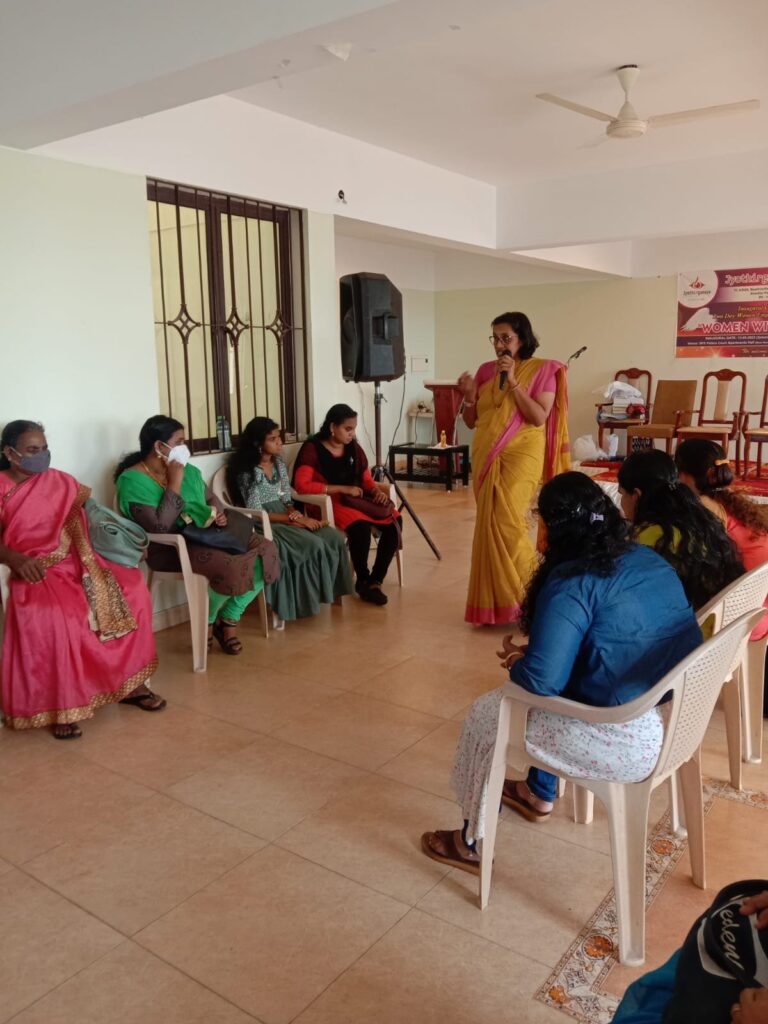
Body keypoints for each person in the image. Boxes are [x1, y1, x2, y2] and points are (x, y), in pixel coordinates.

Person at [421, 473, 702, 872]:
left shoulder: (573, 580)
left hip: (620, 738)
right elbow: (609, 640)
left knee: (490, 713)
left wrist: (522, 662)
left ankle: (470, 842)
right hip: (670, 719)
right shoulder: (644, 557)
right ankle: (538, 793)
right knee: (540, 691)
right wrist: (542, 654)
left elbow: (542, 681)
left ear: (553, 527)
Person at [0, 420, 164, 739]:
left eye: (45, 448)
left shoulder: (60, 481)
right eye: (33, 450)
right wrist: (15, 559)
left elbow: (92, 512)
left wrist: (126, 541)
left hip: (78, 558)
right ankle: (61, 704)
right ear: (10, 453)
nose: (42, 455)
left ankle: (129, 684)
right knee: (57, 617)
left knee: (132, 591)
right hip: (33, 567)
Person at [115, 415, 279, 655]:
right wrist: (174, 482)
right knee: (232, 565)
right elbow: (160, 527)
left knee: (267, 551)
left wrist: (219, 514)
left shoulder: (188, 471)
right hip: (172, 548)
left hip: (211, 535)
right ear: (159, 447)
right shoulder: (131, 480)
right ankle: (209, 621)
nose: (184, 448)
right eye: (179, 441)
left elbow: (212, 500)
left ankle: (226, 619)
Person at [458, 312, 570, 625]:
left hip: (522, 454)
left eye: (505, 337)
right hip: (486, 455)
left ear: (522, 338)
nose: (499, 344)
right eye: (494, 337)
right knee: (489, 526)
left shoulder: (542, 370)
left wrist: (515, 384)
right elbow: (473, 421)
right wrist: (468, 397)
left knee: (509, 524)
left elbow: (537, 417)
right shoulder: (484, 371)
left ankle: (531, 597)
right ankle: (495, 604)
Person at [226, 417, 354, 624]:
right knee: (311, 543)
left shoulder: (278, 464)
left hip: (285, 514)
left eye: (279, 438)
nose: (279, 443)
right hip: (263, 522)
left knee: (333, 537)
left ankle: (329, 594)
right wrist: (292, 520)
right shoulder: (247, 472)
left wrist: (297, 516)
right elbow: (256, 510)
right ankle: (301, 602)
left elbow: (286, 498)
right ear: (258, 444)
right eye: (273, 439)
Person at [675, 438, 768, 713]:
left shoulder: (704, 508)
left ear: (682, 475)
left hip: (740, 622)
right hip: (758, 611)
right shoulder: (732, 502)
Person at [292, 404, 400, 606]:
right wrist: (341, 489)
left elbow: (366, 480)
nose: (352, 433)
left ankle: (375, 581)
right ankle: (363, 578)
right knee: (359, 527)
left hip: (355, 499)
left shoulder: (353, 447)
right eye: (347, 429)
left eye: (354, 429)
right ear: (333, 427)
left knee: (395, 521)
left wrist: (376, 492)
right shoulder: (312, 448)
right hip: (327, 503)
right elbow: (302, 485)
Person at [617, 449, 744, 612]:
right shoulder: (700, 518)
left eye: (621, 493)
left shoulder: (648, 538)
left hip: (692, 630)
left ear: (636, 495)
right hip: (722, 624)